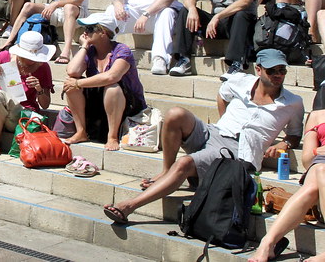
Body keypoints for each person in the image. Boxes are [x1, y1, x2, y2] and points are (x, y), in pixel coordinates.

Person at [102, 48, 303, 225]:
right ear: (258, 69)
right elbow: (222, 95)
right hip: (214, 132)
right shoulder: (241, 81)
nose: (278, 75)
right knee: (175, 114)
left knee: (184, 163)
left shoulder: (293, 103)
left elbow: (295, 134)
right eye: (272, 70)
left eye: (282, 70)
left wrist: (284, 144)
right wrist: (224, 121)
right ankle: (166, 171)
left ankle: (130, 206)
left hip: (238, 150)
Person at [248, 108, 325, 262]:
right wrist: (317, 151)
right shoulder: (317, 116)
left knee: (318, 176)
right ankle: (268, 242)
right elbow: (306, 160)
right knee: (319, 171)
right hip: (321, 161)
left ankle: (268, 242)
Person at [62, 12, 146, 151]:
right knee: (71, 85)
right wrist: (84, 47)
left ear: (103, 32)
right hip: (100, 101)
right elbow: (72, 71)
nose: (85, 32)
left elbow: (112, 76)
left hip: (127, 103)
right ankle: (81, 132)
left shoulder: (122, 50)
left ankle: (112, 136)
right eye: (85, 29)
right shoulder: (90, 51)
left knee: (112, 87)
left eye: (90, 29)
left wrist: (78, 83)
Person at [0, 31, 54, 156]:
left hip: (22, 114)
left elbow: (45, 105)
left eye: (34, 58)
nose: (31, 60)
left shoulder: (43, 67)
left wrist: (39, 89)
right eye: (28, 57)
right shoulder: (5, 57)